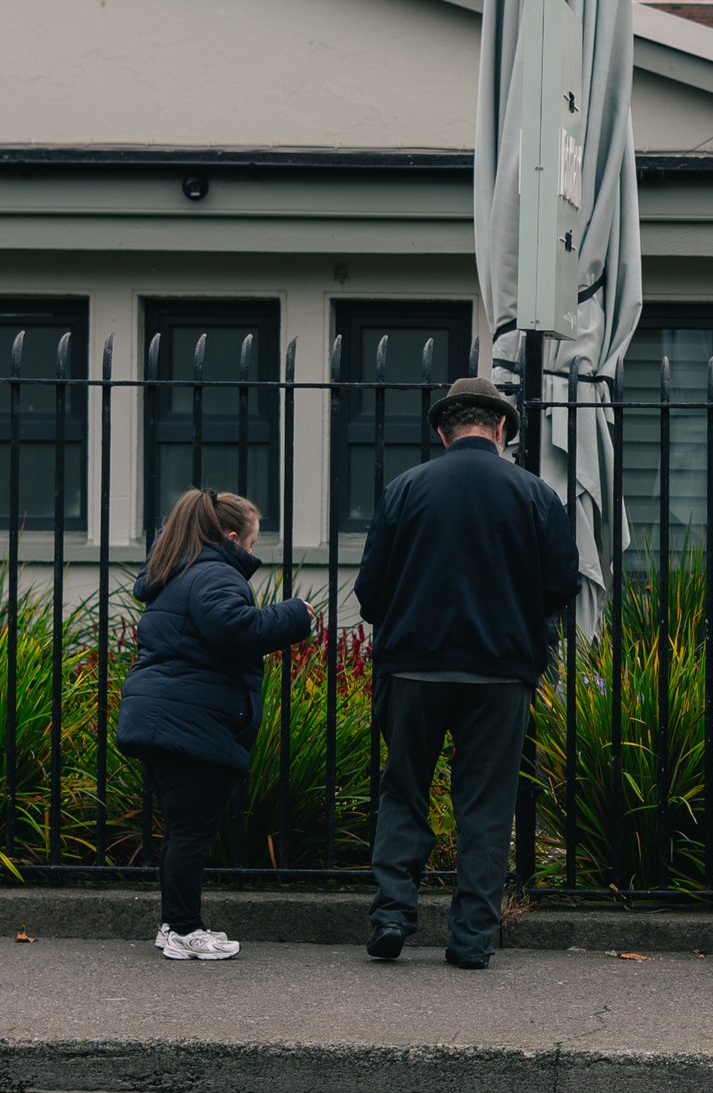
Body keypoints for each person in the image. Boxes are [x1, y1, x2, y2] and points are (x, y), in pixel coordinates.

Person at [355, 375, 577, 969]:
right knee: (486, 803)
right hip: (500, 672)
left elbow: (369, 593)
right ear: (502, 427)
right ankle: (472, 937)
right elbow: (560, 586)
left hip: (412, 668)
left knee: (404, 789)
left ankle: (393, 914)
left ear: (441, 429)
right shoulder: (535, 494)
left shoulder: (404, 489)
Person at [116, 489, 314, 960]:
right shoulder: (214, 573)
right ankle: (185, 929)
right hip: (191, 722)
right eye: (250, 542)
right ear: (230, 537)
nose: (251, 552)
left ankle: (173, 926)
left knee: (184, 828)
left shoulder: (180, 571)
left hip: (168, 717)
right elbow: (233, 629)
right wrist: (293, 615)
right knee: (191, 832)